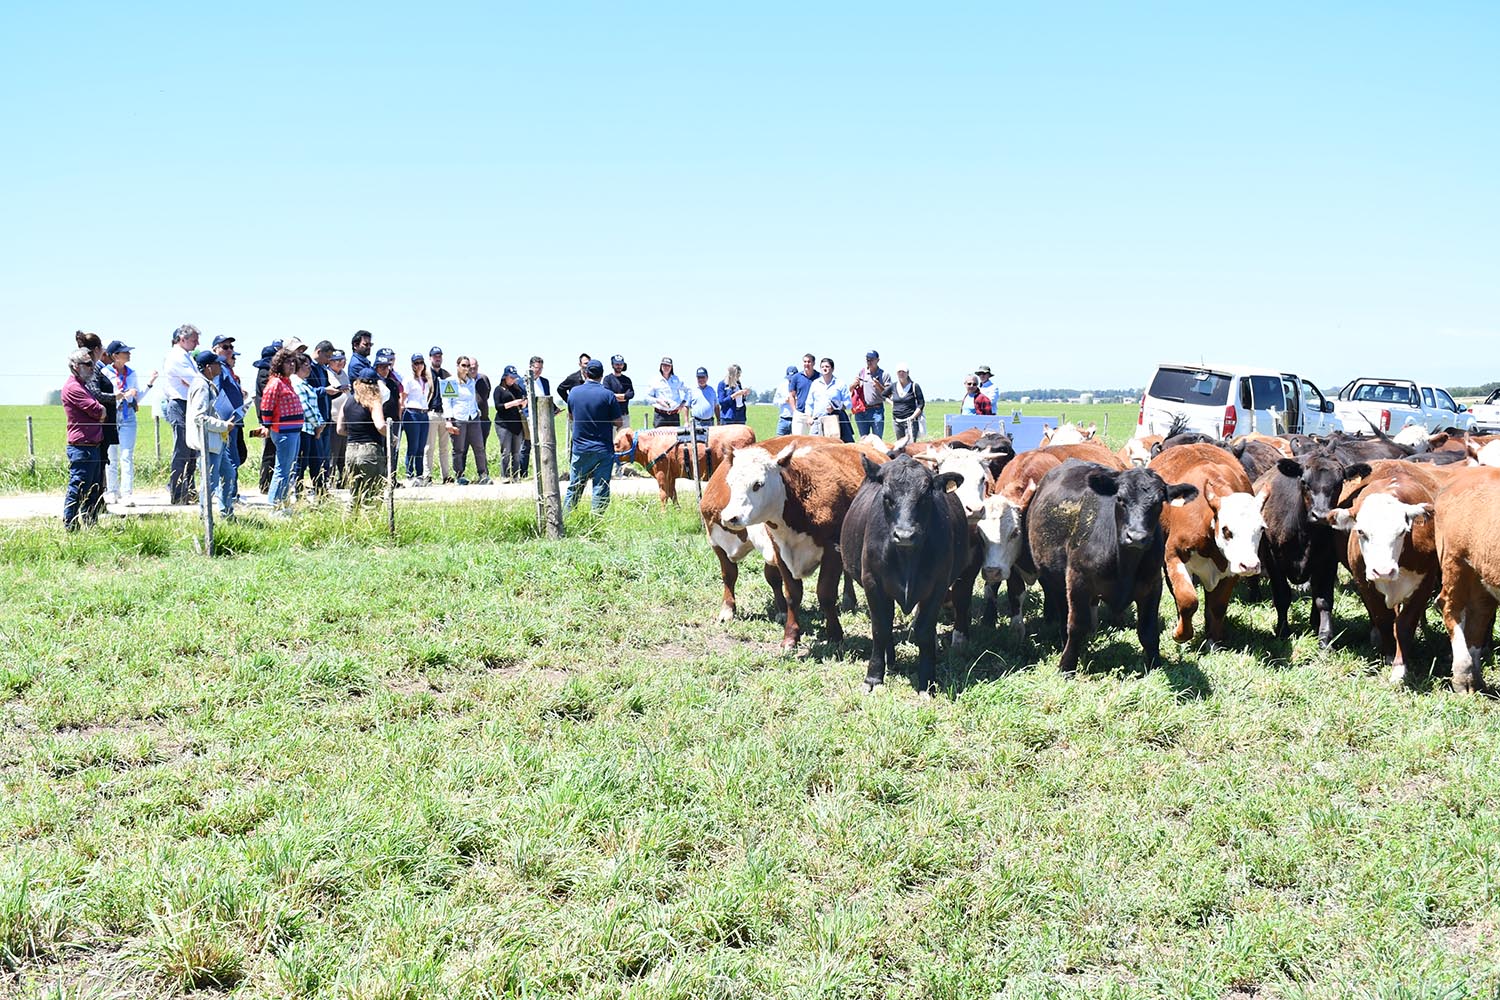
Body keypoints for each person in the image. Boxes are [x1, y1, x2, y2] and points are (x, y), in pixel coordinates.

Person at [563, 359, 623, 513]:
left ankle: (566, 519)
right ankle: (596, 523)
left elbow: (571, 417)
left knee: (574, 486)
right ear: (602, 375)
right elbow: (618, 422)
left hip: (580, 448)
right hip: (603, 449)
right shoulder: (608, 395)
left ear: (586, 373)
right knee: (601, 487)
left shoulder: (574, 392)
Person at [186, 350, 236, 518]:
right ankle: (205, 517)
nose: (220, 366)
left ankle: (226, 513)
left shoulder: (206, 384)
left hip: (216, 442)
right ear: (208, 367)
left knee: (229, 474)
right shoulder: (201, 386)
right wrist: (224, 426)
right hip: (208, 443)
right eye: (217, 364)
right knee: (210, 482)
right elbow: (199, 418)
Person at [62, 348, 106, 530]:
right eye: (88, 364)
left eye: (92, 363)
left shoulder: (82, 385)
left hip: (91, 445)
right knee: (79, 487)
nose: (92, 367)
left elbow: (99, 411)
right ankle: (71, 525)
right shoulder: (74, 388)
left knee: (93, 489)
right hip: (82, 446)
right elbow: (99, 411)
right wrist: (100, 410)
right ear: (75, 366)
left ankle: (90, 524)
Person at [103, 339, 151, 507]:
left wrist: (147, 386)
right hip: (111, 415)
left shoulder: (131, 373)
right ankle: (112, 491)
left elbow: (135, 396)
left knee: (126, 455)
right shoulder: (105, 373)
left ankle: (127, 493)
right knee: (111, 456)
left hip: (128, 414)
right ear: (115, 356)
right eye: (125, 352)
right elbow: (106, 395)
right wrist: (123, 394)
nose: (129, 354)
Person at [74, 333, 117, 519]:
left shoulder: (92, 368)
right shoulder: (91, 369)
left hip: (103, 423)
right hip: (99, 423)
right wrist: (117, 397)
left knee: (101, 463)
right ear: (97, 349)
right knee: (97, 466)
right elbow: (95, 394)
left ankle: (97, 505)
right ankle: (93, 506)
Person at [259, 348, 305, 511]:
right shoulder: (275, 382)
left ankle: (282, 502)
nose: (292, 365)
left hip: (293, 431)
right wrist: (267, 424)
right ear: (279, 364)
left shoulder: (287, 382)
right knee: (282, 469)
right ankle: (274, 505)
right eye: (287, 361)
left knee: (288, 468)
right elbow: (266, 405)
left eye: (293, 362)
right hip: (283, 431)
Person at [160, 325, 202, 504]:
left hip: (188, 404)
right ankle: (177, 491)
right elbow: (195, 380)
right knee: (182, 450)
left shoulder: (185, 356)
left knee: (191, 450)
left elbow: (193, 380)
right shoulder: (177, 356)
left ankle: (188, 490)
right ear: (182, 339)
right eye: (193, 340)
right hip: (180, 404)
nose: (197, 343)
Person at [338, 369, 389, 506]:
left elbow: (340, 429)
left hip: (350, 451)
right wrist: (392, 437)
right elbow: (380, 426)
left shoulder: (347, 402)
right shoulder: (374, 402)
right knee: (372, 495)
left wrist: (356, 433)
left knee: (354, 496)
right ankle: (371, 526)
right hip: (370, 450)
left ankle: (349, 525)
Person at [212, 336, 247, 509]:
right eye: (225, 347)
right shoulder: (220, 369)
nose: (229, 350)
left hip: (234, 419)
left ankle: (232, 494)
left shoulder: (227, 369)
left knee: (234, 456)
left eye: (231, 347)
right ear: (215, 350)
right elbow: (215, 391)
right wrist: (222, 418)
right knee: (229, 458)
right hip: (227, 420)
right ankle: (228, 496)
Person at [447, 355, 489, 485]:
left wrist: (477, 410)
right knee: (459, 448)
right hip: (458, 418)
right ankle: (459, 475)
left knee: (479, 446)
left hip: (473, 417)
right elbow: (447, 402)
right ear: (457, 366)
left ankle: (483, 474)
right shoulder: (450, 382)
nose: (466, 368)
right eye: (463, 365)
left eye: (468, 366)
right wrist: (448, 420)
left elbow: (473, 398)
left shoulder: (471, 382)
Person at [291, 353, 326, 500]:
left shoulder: (305, 383)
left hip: (312, 429)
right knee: (301, 463)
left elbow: (314, 407)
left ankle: (321, 493)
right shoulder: (297, 383)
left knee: (316, 462)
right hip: (305, 429)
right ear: (298, 366)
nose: (309, 367)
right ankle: (297, 494)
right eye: (306, 365)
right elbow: (305, 407)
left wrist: (320, 424)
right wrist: (318, 425)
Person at [492, 364, 527, 481]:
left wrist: (523, 402)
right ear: (505, 377)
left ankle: (516, 475)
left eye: (514, 378)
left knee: (516, 452)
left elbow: (524, 400)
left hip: (517, 424)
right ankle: (505, 476)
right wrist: (514, 403)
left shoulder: (517, 389)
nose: (513, 380)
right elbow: (498, 406)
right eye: (511, 377)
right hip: (503, 424)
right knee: (506, 452)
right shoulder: (498, 390)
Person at [401, 353, 432, 485]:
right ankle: (409, 473)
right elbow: (402, 398)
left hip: (424, 413)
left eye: (421, 362)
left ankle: (420, 474)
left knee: (421, 445)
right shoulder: (408, 379)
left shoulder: (424, 380)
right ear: (412, 365)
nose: (419, 365)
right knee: (412, 445)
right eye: (416, 363)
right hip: (412, 412)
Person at [425, 346, 454, 484]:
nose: (438, 358)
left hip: (445, 414)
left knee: (444, 447)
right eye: (435, 356)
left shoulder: (447, 375)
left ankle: (446, 476)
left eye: (440, 356)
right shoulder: (425, 373)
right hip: (431, 412)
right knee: (429, 446)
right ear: (430, 357)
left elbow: (453, 395)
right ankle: (427, 475)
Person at [804, 357, 852, 440]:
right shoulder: (815, 384)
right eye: (822, 367)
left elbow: (848, 403)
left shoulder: (840, 384)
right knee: (814, 447)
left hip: (834, 421)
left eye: (827, 367)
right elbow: (809, 403)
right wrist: (809, 417)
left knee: (836, 446)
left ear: (832, 369)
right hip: (817, 421)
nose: (824, 369)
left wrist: (836, 407)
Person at [520, 356, 550, 477]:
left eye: (541, 368)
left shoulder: (545, 382)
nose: (538, 370)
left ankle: (543, 473)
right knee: (526, 445)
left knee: (544, 445)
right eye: (536, 368)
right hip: (527, 417)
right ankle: (523, 473)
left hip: (543, 417)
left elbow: (546, 398)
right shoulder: (521, 382)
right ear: (530, 367)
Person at [853, 350, 892, 440]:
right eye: (867, 359)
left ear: (877, 360)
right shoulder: (862, 372)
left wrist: (879, 386)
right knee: (863, 439)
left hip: (876, 410)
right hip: (862, 411)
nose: (869, 362)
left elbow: (889, 394)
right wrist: (854, 384)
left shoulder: (884, 375)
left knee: (877, 440)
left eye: (871, 359)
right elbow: (853, 389)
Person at [327, 350, 350, 486]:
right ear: (330, 362)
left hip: (345, 418)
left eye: (342, 359)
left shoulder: (344, 374)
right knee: (333, 453)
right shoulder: (328, 373)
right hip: (333, 417)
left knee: (343, 452)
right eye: (336, 360)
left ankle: (343, 480)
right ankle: (329, 480)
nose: (340, 362)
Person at [644, 357, 687, 427]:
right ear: (661, 366)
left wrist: (683, 403)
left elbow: (688, 391)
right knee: (658, 437)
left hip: (674, 415)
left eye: (668, 366)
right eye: (664, 365)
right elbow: (647, 396)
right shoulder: (654, 380)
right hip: (660, 415)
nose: (666, 367)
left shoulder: (677, 380)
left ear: (671, 367)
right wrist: (658, 401)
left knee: (675, 437)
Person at [890, 363, 926, 443]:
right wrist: (892, 403)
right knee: (899, 445)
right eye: (899, 372)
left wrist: (913, 416)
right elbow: (884, 394)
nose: (901, 374)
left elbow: (921, 403)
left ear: (907, 373)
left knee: (911, 444)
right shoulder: (894, 386)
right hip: (897, 421)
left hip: (910, 421)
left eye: (903, 372)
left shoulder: (914, 386)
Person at [787, 354, 817, 435]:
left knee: (814, 441)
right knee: (798, 440)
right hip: (800, 414)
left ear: (814, 363)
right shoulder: (796, 377)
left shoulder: (819, 377)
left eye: (809, 362)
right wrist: (794, 411)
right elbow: (792, 395)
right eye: (805, 362)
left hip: (815, 414)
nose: (807, 364)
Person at [603, 355, 634, 427]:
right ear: (612, 365)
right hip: (611, 416)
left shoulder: (627, 380)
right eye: (617, 364)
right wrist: (624, 397)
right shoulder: (607, 379)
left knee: (626, 437)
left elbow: (630, 394)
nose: (619, 366)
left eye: (621, 364)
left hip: (624, 415)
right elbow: (608, 395)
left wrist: (616, 397)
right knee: (611, 438)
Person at [473, 358, 493, 447]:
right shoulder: (462, 381)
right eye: (470, 368)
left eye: (475, 368)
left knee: (481, 448)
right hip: (466, 421)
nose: (473, 370)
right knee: (462, 450)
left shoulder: (484, 378)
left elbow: (487, 395)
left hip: (483, 419)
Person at [776, 365, 798, 436]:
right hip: (783, 419)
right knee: (778, 442)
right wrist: (784, 400)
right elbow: (775, 401)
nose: (791, 380)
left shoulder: (800, 386)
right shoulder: (781, 386)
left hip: (796, 419)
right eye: (789, 379)